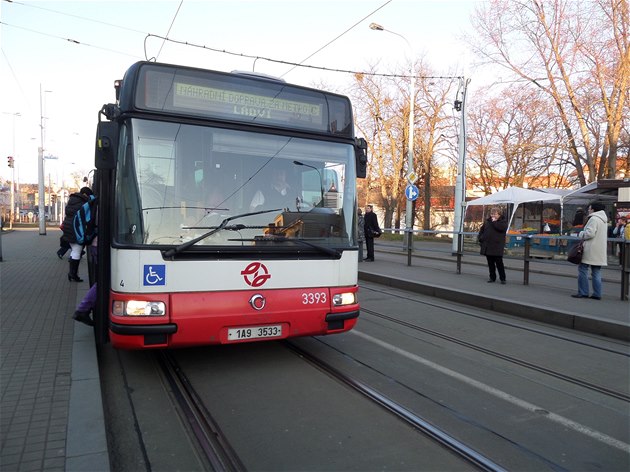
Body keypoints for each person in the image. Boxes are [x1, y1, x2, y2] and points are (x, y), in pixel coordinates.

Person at [572, 202, 608, 300]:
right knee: (596, 272)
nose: (588, 210)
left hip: (590, 249)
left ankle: (583, 292)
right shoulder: (603, 220)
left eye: (590, 208)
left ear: (593, 209)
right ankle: (597, 294)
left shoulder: (593, 219)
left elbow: (590, 233)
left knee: (582, 269)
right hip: (599, 250)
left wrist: (581, 233)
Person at [62, 186, 93, 282]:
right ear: (86, 195)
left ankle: (72, 273)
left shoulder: (72, 200)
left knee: (74, 250)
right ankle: (73, 274)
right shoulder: (83, 203)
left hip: (69, 228)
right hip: (75, 230)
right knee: (77, 251)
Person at [478, 207, 508, 284]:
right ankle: (492, 277)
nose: (493, 216)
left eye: (495, 214)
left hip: (497, 247)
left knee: (499, 263)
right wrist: (481, 238)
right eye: (492, 214)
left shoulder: (503, 222)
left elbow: (501, 228)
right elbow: (481, 230)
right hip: (488, 246)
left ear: (499, 214)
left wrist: (494, 222)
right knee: (490, 263)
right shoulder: (487, 222)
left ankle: (503, 278)